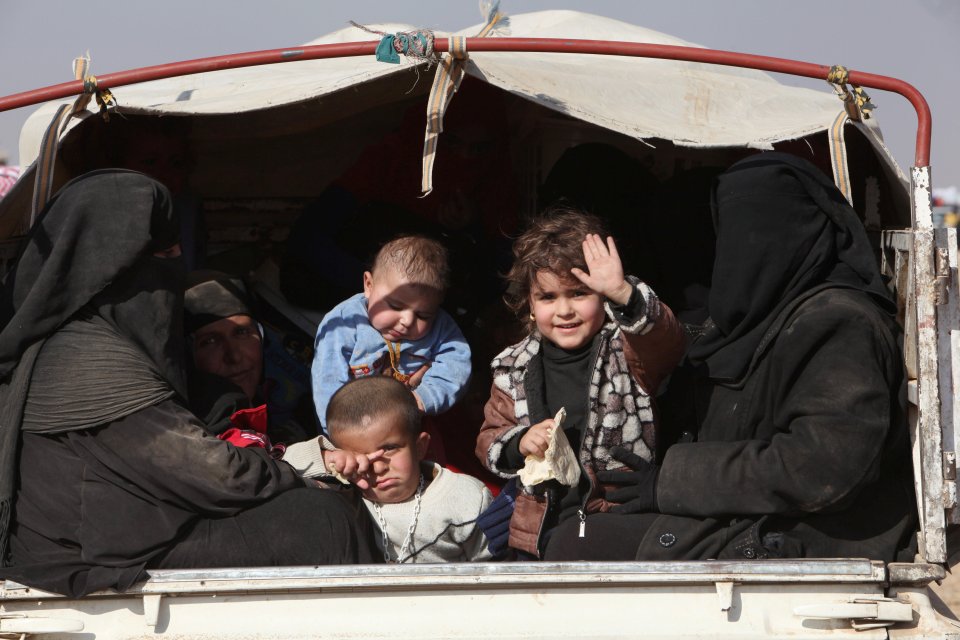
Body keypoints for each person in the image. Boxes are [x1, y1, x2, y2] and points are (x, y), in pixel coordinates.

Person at [0, 170, 378, 598]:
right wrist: (302, 474)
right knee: (323, 519)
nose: (176, 260)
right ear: (111, 260)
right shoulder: (85, 356)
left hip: (118, 535)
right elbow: (210, 472)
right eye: (163, 250)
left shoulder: (78, 340)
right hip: (90, 553)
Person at [547, 152, 916, 562]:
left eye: (756, 225)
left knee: (574, 545)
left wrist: (671, 481)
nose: (743, 242)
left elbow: (822, 470)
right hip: (746, 513)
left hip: (801, 532)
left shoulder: (840, 323)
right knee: (568, 529)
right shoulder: (761, 315)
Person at [475, 207, 686, 558]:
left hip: (616, 522)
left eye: (578, 293)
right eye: (547, 297)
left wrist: (623, 293)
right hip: (538, 530)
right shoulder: (512, 366)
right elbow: (489, 437)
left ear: (601, 297)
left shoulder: (628, 350)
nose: (564, 310)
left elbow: (667, 339)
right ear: (529, 304)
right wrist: (519, 442)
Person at [312, 235, 472, 434]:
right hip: (349, 429)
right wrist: (337, 433)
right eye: (395, 306)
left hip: (406, 427)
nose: (407, 321)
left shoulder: (442, 328)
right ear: (368, 285)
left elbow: (456, 366)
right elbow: (327, 382)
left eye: (423, 315)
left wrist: (422, 398)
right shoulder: (344, 324)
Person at [325, 376, 493, 563]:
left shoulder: (465, 498)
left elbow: (496, 570)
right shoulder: (344, 495)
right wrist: (325, 457)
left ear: (420, 447)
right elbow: (288, 468)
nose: (378, 467)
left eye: (389, 449)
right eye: (360, 458)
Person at [183, 270, 315, 444]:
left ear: (261, 336)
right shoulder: (190, 435)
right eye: (210, 341)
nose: (234, 356)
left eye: (242, 332)